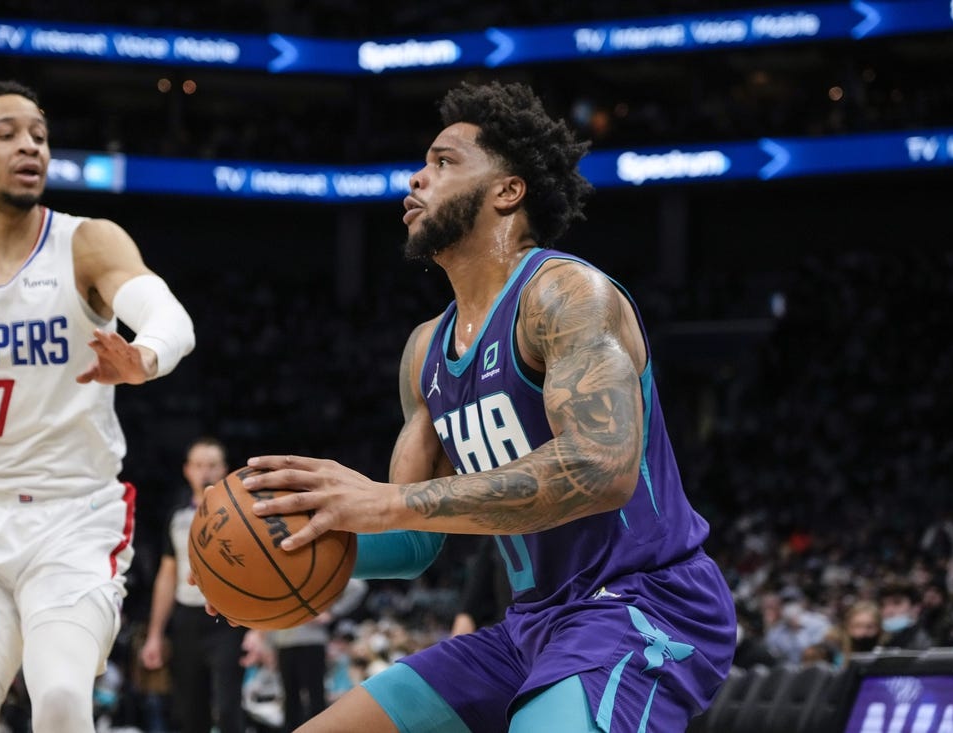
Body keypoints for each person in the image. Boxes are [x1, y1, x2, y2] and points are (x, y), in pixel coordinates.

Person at [214, 81, 737, 732]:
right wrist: (281, 545)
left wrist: (385, 500)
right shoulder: (423, 351)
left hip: (640, 603)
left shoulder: (566, 294)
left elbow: (603, 469)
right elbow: (412, 537)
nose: (415, 176)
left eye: (442, 162)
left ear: (507, 190)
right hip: (530, 623)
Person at [0, 80, 195, 733]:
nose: (31, 146)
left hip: (74, 519)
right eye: (8, 133)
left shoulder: (86, 243)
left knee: (58, 702)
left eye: (40, 135)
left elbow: (167, 314)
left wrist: (146, 356)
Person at [140, 437, 248, 733]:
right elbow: (166, 575)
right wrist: (155, 634)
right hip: (186, 618)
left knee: (228, 707)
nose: (205, 472)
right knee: (188, 711)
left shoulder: (243, 514)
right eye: (199, 465)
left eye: (212, 465)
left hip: (228, 619)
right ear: (188, 470)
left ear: (225, 470)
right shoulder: (177, 516)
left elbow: (259, 573)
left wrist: (260, 632)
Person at [267, 577, 368, 730]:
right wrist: (271, 644)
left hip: (311, 641)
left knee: (315, 695)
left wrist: (332, 613)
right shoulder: (277, 575)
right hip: (284, 643)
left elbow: (357, 586)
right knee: (290, 698)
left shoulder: (311, 569)